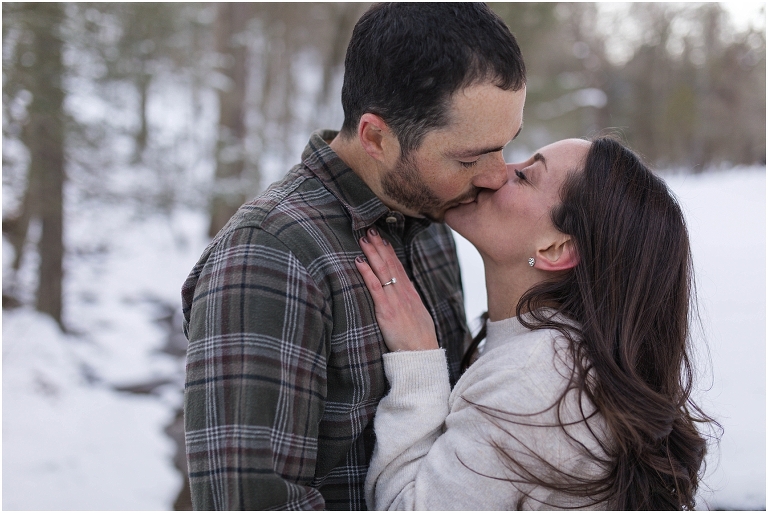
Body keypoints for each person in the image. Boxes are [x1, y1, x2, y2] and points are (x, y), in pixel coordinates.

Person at [181, 3, 526, 510]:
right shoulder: (271, 256)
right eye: (471, 157)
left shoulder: (429, 217)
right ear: (375, 137)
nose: (497, 175)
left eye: (505, 146)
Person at [356, 137, 716, 510]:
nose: (495, 173)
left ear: (555, 249)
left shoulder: (537, 379)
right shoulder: (554, 360)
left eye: (525, 176)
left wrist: (418, 363)